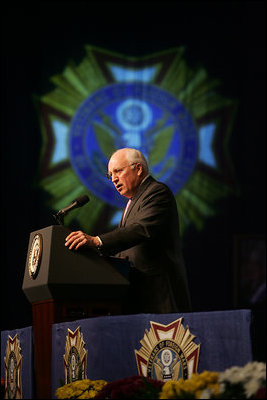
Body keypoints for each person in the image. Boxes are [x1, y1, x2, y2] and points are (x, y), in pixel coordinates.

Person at [65, 148, 191, 314]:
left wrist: (97, 241)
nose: (114, 179)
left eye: (118, 171)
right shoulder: (133, 202)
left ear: (138, 169)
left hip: (159, 298)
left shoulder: (157, 192)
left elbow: (141, 229)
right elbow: (126, 249)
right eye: (110, 175)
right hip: (138, 297)